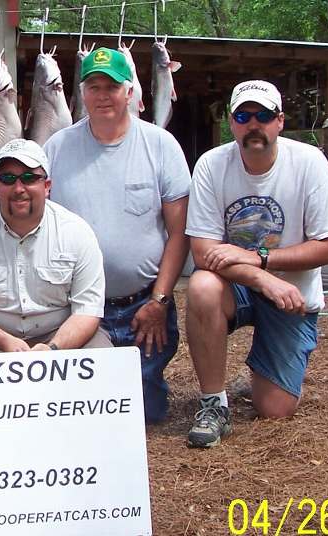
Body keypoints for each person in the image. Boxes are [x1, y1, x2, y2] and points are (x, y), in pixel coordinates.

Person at [184, 80, 328, 448]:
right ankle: (213, 404)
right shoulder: (211, 165)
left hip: (295, 293)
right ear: (231, 122)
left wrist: (260, 258)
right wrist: (265, 278)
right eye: (243, 116)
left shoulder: (309, 162)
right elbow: (202, 252)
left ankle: (265, 371)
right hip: (243, 285)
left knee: (274, 408)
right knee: (202, 286)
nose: (253, 124)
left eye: (263, 115)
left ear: (280, 121)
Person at [42, 47, 191, 423]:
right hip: (76, 309)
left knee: (145, 414)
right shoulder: (57, 148)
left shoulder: (161, 145)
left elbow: (179, 233)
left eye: (112, 86)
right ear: (82, 93)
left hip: (144, 307)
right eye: (93, 86)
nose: (103, 95)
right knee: (82, 417)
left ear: (130, 91)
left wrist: (159, 300)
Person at [0, 139, 111, 354]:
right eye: (8, 179)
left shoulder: (77, 232)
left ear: (47, 186)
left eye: (29, 178)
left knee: (102, 358)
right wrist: (3, 341)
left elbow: (87, 311)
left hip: (59, 334)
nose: (19, 188)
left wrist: (53, 348)